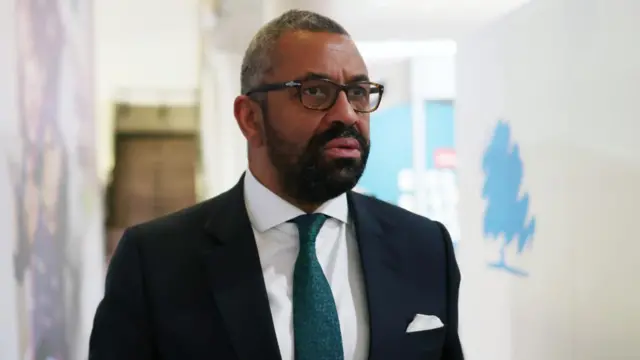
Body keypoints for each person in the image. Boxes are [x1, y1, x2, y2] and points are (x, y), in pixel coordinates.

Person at [89, 9, 463, 360]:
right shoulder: (155, 262)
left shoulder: (425, 248)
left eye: (359, 93)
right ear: (250, 118)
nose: (347, 113)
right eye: (316, 91)